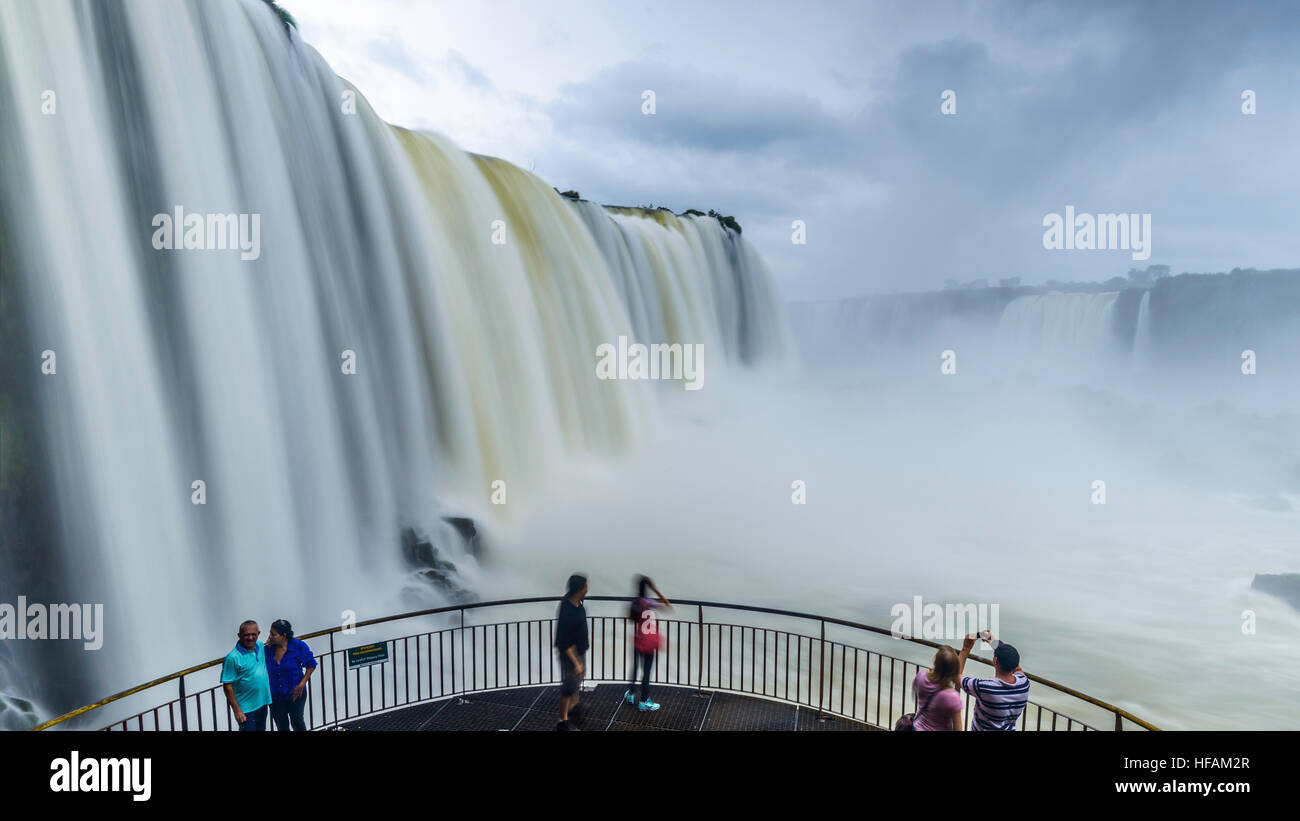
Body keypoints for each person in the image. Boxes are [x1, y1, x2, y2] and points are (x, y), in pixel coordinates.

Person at [957, 632, 1029, 730]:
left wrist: (966, 648)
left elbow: (956, 677)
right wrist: (994, 643)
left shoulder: (985, 688)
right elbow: (1018, 668)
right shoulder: (1024, 683)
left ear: (995, 660)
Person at [624, 575, 671, 712]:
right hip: (650, 641)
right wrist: (656, 590)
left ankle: (631, 694)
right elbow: (667, 606)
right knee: (646, 672)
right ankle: (644, 701)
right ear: (648, 588)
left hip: (638, 639)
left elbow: (629, 618)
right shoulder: (650, 603)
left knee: (635, 667)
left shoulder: (635, 602)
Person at [265, 619, 317, 732]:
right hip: (275, 696)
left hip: (295, 692)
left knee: (297, 721)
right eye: (270, 633)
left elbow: (311, 664)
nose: (270, 636)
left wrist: (301, 685)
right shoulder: (267, 649)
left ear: (283, 635)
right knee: (281, 725)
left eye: (273, 634)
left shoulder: (298, 646)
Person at [220, 620, 272, 731]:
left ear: (258, 634)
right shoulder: (233, 657)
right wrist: (236, 710)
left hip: (262, 704)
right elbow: (227, 686)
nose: (250, 638)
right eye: (246, 635)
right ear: (239, 636)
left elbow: (271, 643)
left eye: (253, 634)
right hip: (246, 710)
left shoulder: (260, 646)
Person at [555, 574, 589, 731]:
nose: (587, 589)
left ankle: (574, 707)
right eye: (585, 586)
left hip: (579, 651)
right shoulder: (566, 609)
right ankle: (562, 721)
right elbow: (564, 640)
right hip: (571, 655)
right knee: (568, 686)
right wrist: (576, 662)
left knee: (578, 679)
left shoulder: (577, 603)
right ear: (579, 589)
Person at [911, 646, 964, 731]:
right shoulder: (952, 696)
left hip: (917, 727)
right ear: (954, 670)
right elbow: (958, 728)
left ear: (936, 662)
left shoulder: (921, 675)